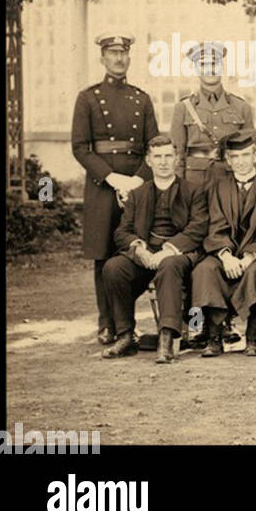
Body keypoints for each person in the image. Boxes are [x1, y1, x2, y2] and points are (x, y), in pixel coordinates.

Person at [72, 32, 160, 346]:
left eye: (123, 53)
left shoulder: (142, 98)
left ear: (129, 57)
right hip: (103, 186)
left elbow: (155, 145)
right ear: (102, 58)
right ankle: (107, 324)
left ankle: (127, 324)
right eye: (112, 53)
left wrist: (137, 180)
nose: (119, 58)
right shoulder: (88, 97)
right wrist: (112, 179)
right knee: (103, 256)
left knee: (135, 251)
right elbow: (80, 148)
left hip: (136, 186)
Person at [100, 136, 208, 363]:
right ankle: (126, 335)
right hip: (146, 256)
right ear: (148, 161)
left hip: (179, 256)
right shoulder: (138, 194)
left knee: (169, 265)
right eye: (157, 157)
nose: (163, 162)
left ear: (177, 160)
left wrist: (168, 249)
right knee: (113, 267)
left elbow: (198, 228)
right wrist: (139, 249)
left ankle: (166, 338)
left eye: (168, 156)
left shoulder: (193, 191)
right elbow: (122, 231)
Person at [190, 129, 256, 358]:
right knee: (205, 269)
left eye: (246, 155)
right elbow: (213, 226)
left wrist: (250, 255)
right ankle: (213, 337)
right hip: (224, 253)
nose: (241, 162)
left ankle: (253, 337)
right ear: (228, 161)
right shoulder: (216, 189)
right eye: (235, 157)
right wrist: (226, 255)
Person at [170, 41, 255, 191]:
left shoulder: (242, 107)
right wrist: (178, 189)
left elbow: (251, 153)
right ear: (196, 69)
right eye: (203, 65)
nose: (210, 70)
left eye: (214, 64)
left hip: (231, 182)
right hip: (193, 183)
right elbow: (177, 155)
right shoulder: (183, 108)